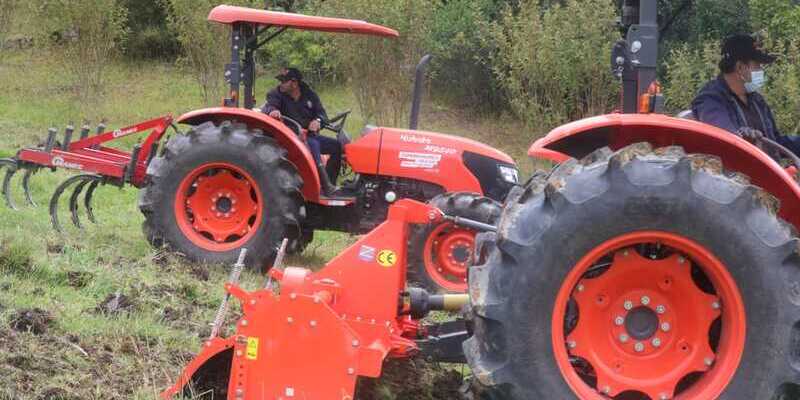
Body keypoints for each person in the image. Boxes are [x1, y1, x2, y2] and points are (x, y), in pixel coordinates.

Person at [692, 34, 800, 158]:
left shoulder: (757, 101)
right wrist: (743, 140)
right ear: (740, 67)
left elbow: (775, 143)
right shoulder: (710, 100)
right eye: (757, 65)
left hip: (766, 171)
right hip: (736, 175)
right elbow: (726, 138)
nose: (761, 70)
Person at [262, 67, 342, 195]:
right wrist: (272, 111)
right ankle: (326, 186)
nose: (280, 84)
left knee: (336, 146)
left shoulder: (310, 95)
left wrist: (318, 121)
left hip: (309, 135)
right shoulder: (276, 94)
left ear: (294, 83)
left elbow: (322, 115)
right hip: (290, 139)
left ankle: (330, 181)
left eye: (284, 81)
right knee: (313, 145)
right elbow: (269, 106)